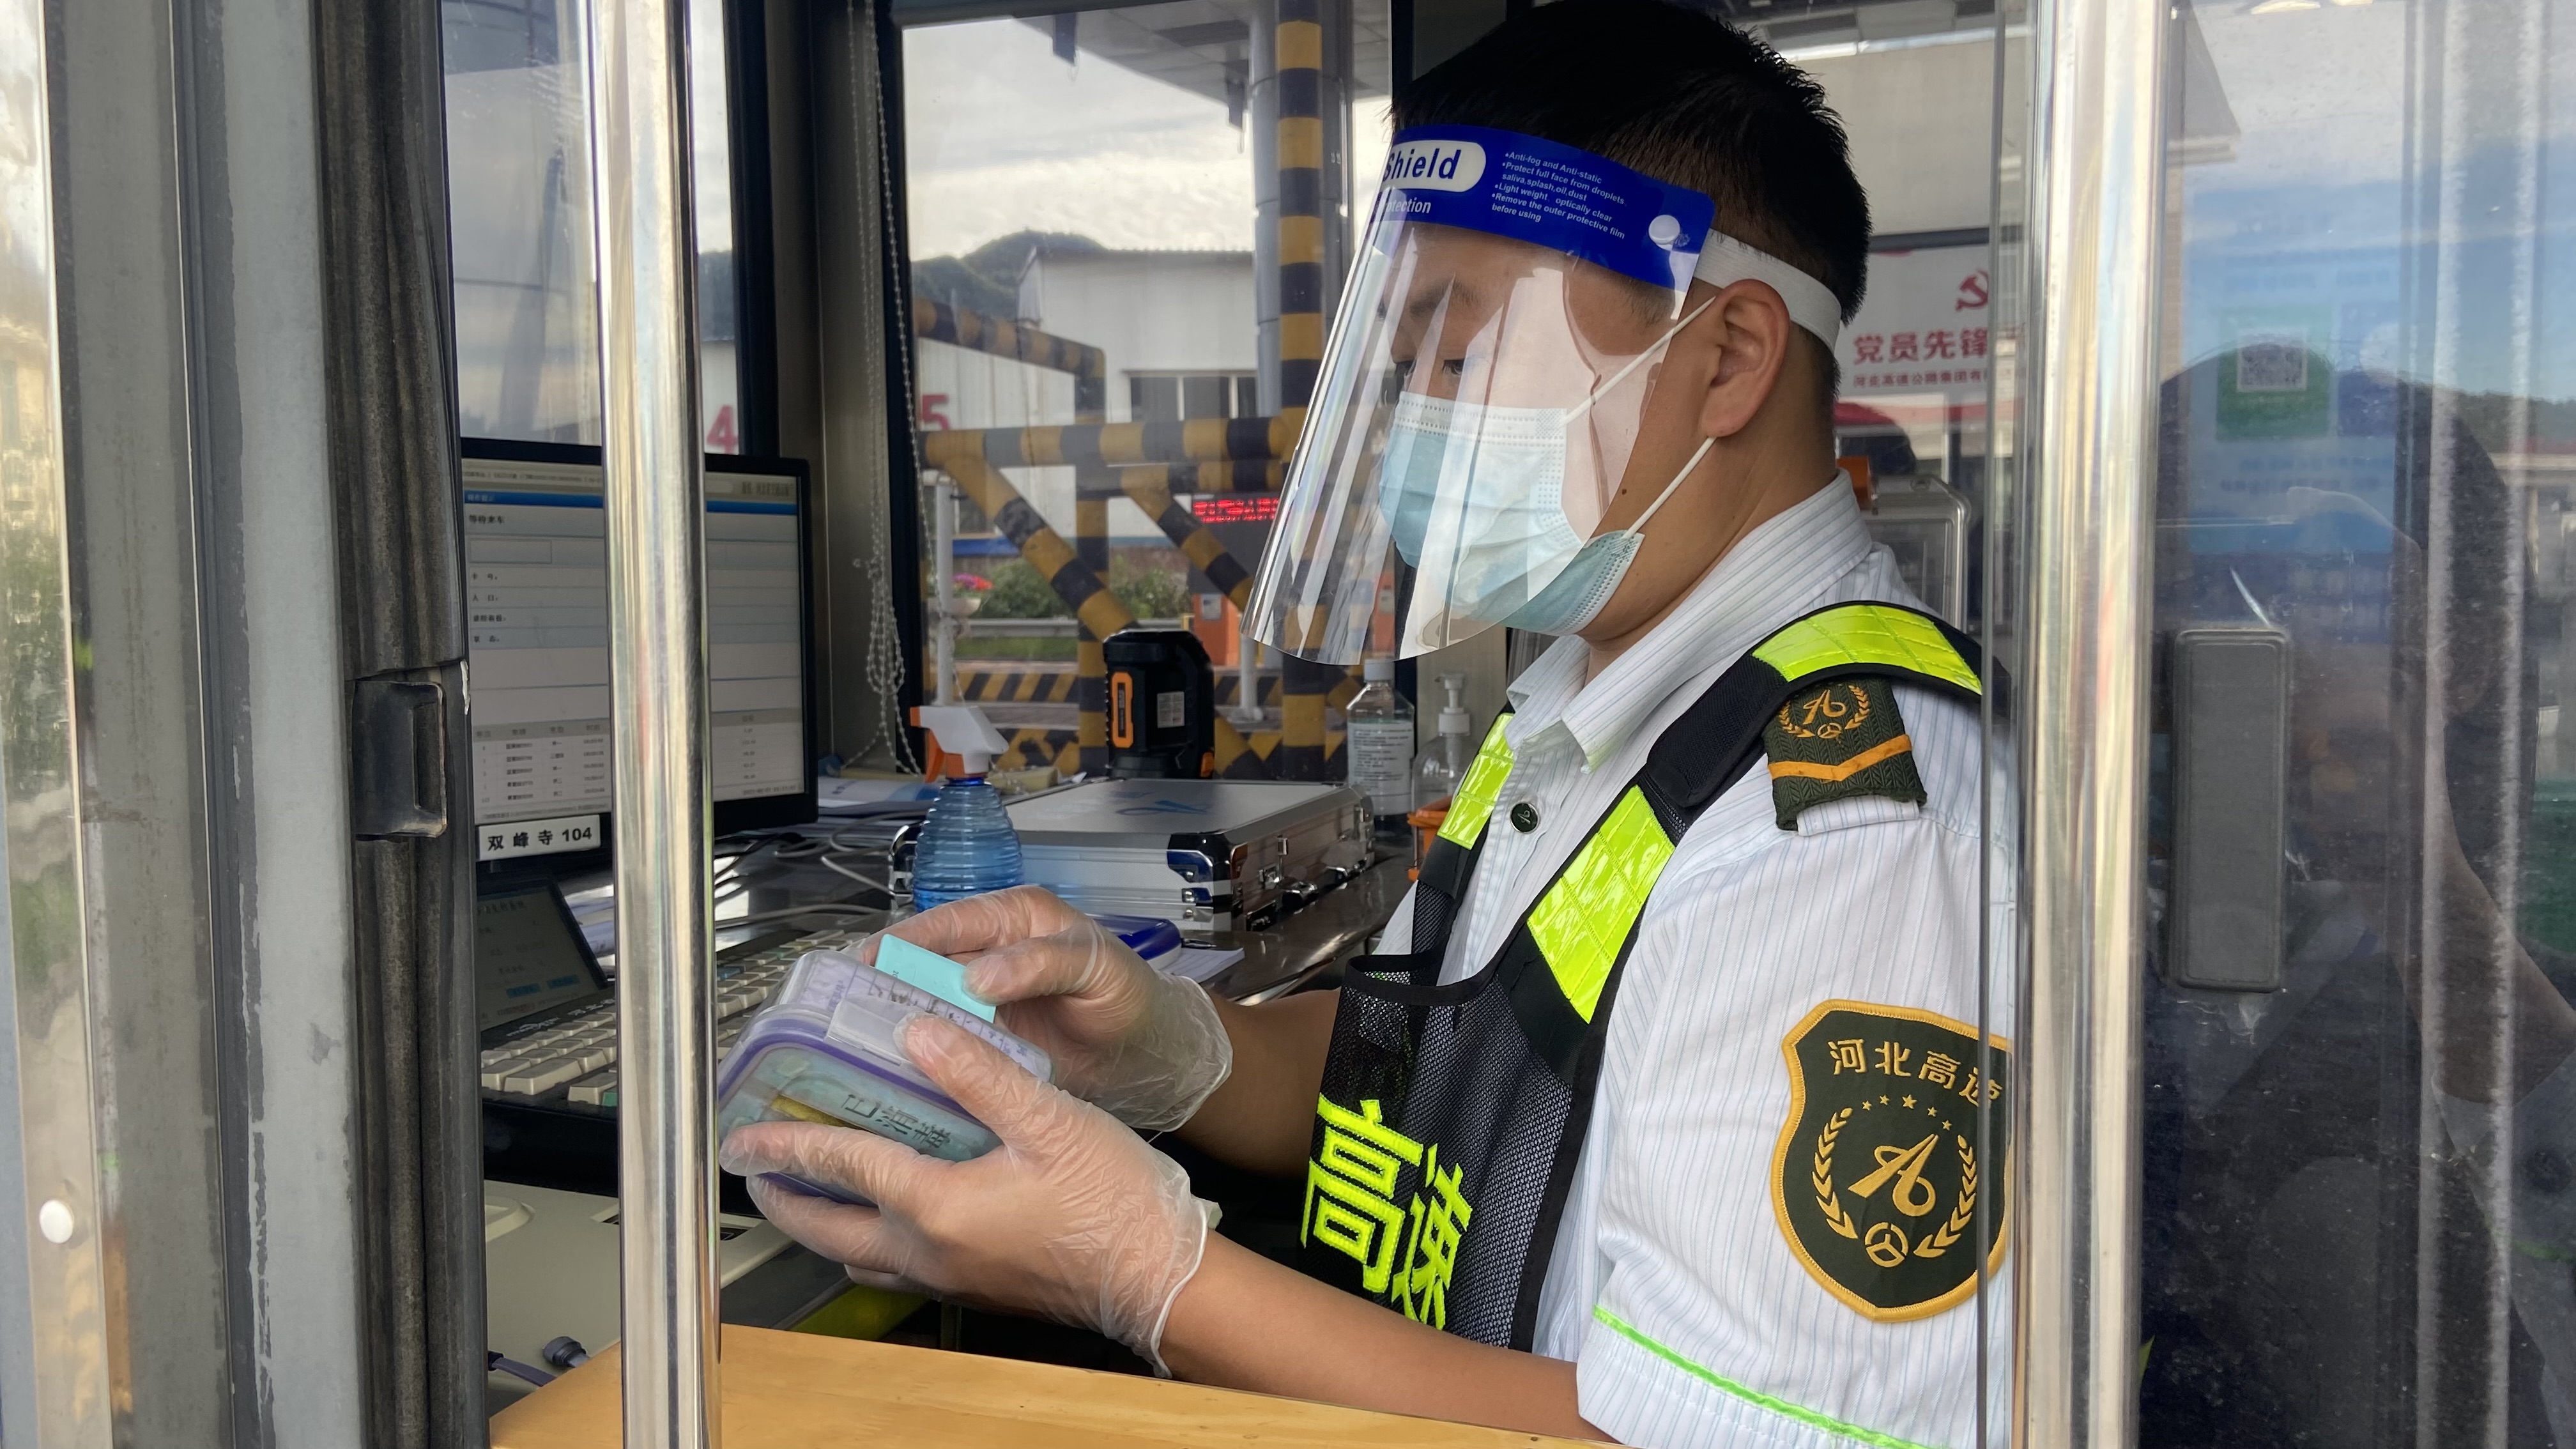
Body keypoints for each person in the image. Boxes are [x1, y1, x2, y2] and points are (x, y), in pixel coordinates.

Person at [722, 4, 2012, 1443]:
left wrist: (1145, 1277)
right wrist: (1167, 1044)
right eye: (1405, 372)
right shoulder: (1599, 699)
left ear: (1727, 359)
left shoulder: (1843, 842)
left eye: (1460, 356)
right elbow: (1433, 1084)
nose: (1417, 423)